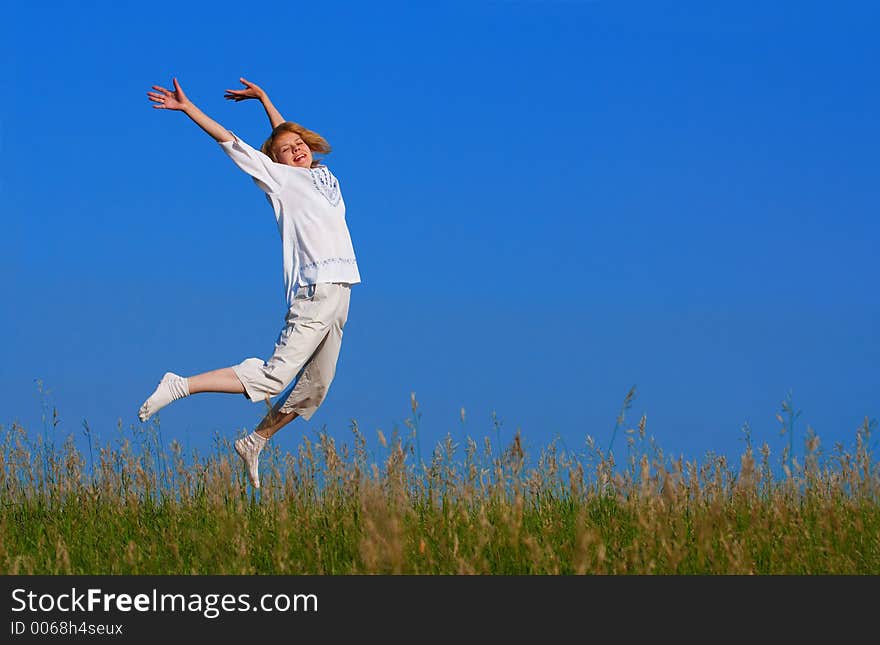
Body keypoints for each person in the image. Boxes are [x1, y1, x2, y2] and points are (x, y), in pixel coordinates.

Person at [140, 77, 361, 489]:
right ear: (275, 162)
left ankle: (255, 440)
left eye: (300, 146)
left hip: (342, 291)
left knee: (316, 386)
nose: (295, 150)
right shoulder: (281, 180)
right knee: (275, 378)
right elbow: (232, 141)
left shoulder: (321, 174)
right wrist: (189, 110)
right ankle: (180, 384)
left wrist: (265, 100)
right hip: (315, 290)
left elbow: (286, 134)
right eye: (285, 151)